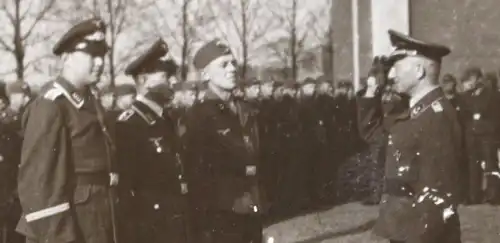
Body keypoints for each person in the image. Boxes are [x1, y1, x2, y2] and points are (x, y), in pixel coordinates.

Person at [16, 18, 119, 243]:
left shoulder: (90, 102)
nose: (100, 62)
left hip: (94, 222)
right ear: (66, 58)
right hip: (66, 230)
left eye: (103, 54)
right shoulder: (52, 105)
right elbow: (39, 185)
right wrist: (61, 237)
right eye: (92, 54)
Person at [356, 30, 462, 243]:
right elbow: (375, 134)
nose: (391, 75)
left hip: (421, 234)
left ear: (418, 70)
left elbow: (439, 192)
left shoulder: (435, 117)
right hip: (405, 227)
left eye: (397, 66)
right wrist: (370, 91)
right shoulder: (415, 112)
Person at [184, 39, 265, 243]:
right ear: (205, 75)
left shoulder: (246, 110)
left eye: (233, 63)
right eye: (223, 65)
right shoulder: (199, 115)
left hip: (251, 205)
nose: (232, 69)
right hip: (221, 213)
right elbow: (196, 173)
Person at [116, 38, 189, 243]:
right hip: (148, 228)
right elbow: (126, 191)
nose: (173, 82)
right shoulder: (129, 124)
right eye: (166, 76)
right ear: (143, 80)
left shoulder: (165, 118)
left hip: (172, 222)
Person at [456, 67, 500, 204]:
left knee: (490, 165)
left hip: (487, 135)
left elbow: (494, 115)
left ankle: (494, 195)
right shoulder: (466, 96)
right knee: (472, 166)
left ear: (478, 79)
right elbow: (463, 114)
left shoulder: (492, 95)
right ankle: (473, 195)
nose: (469, 84)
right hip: (472, 134)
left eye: (471, 80)